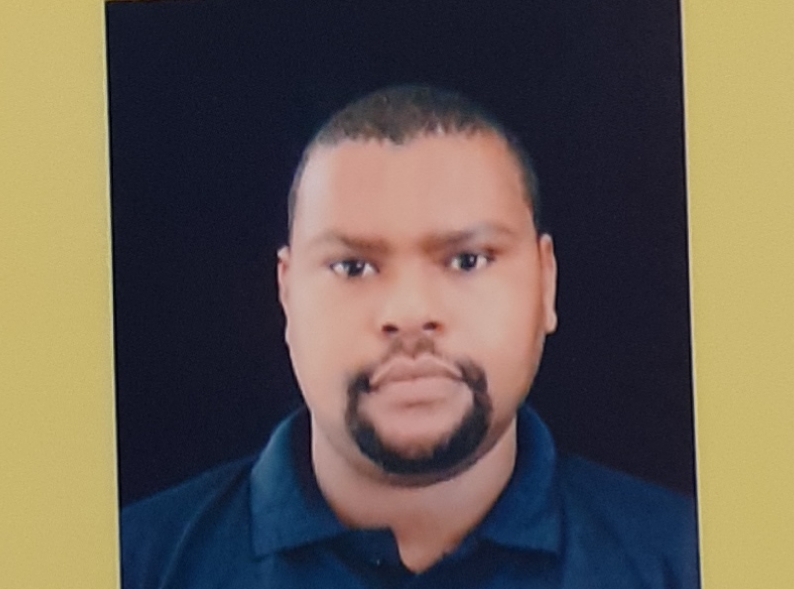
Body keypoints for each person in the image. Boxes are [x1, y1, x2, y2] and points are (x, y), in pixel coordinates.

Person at [120, 85, 699, 589]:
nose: (410, 313)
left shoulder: (694, 558)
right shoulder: (126, 565)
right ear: (287, 296)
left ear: (546, 284)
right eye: (353, 267)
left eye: (468, 260)